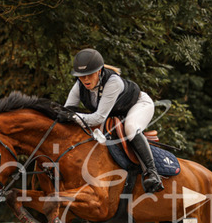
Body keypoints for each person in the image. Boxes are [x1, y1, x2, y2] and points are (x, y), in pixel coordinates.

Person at [60, 48, 163, 193]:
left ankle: (152, 173)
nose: (85, 80)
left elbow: (98, 117)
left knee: (131, 128)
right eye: (81, 76)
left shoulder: (113, 82)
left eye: (89, 75)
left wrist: (72, 117)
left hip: (139, 104)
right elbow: (67, 110)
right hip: (115, 113)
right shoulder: (79, 85)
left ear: (99, 71)